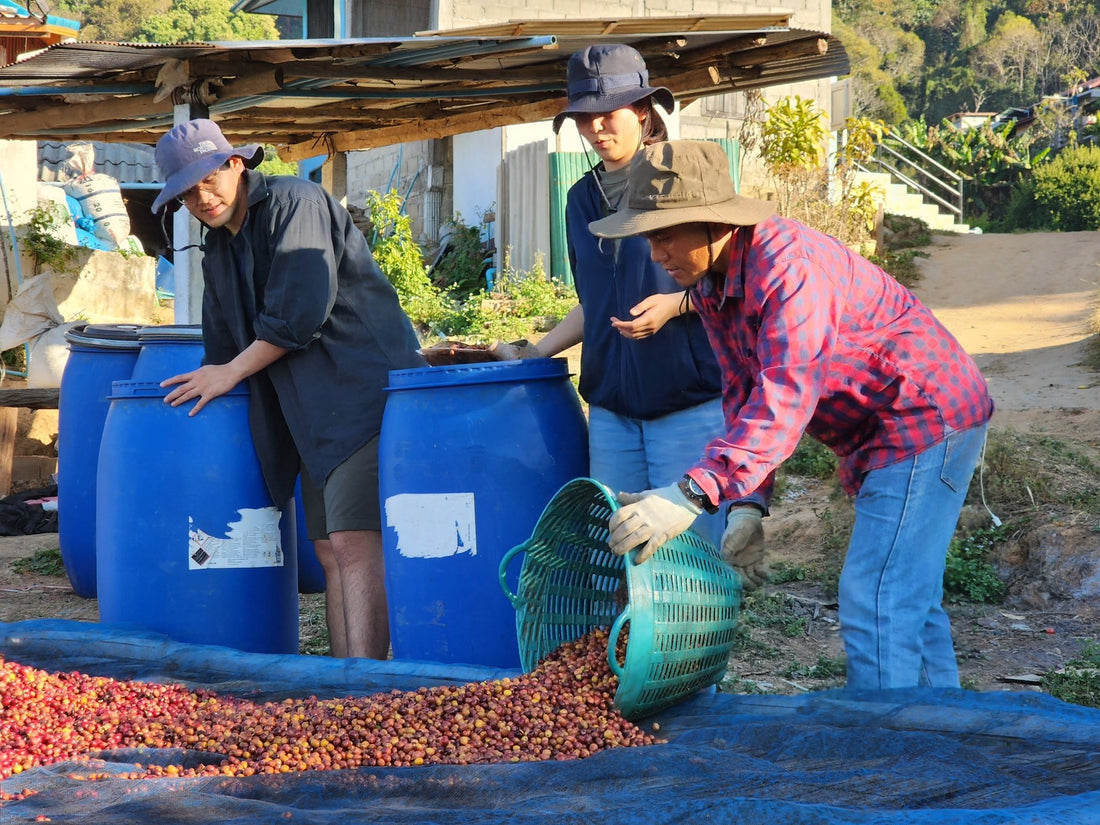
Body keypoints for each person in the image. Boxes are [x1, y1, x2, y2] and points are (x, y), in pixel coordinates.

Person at [589, 140, 994, 690]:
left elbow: (785, 394)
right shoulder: (710, 284)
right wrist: (745, 504)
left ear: (715, 222)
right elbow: (743, 391)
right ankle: (936, 727)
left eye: (664, 235)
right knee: (906, 600)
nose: (655, 254)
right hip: (874, 430)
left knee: (878, 600)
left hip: (923, 418)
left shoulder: (788, 271)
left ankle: (891, 741)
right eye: (647, 237)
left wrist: (691, 495)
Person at [151, 119, 426, 660]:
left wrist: (231, 372)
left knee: (354, 543)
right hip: (307, 411)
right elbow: (221, 347)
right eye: (187, 193)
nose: (202, 199)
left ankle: (365, 690)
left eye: (209, 180)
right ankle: (342, 682)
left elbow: (300, 313)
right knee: (327, 550)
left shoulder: (294, 202)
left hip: (361, 392)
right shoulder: (219, 247)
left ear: (235, 164)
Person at [493, 43, 767, 555]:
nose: (596, 128)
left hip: (687, 402)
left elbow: (738, 275)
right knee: (620, 550)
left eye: (609, 114)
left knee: (692, 554)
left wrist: (676, 305)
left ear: (642, 111)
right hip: (612, 410)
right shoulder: (579, 199)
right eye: (584, 117)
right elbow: (593, 302)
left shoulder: (682, 180)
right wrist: (534, 351)